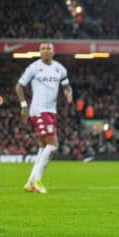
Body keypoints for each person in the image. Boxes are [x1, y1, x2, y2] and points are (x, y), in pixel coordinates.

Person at [16, 42, 73, 194]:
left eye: (48, 49)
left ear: (53, 52)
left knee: (43, 147)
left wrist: (69, 92)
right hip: (39, 110)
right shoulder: (34, 68)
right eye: (43, 49)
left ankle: (30, 182)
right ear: (39, 52)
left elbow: (66, 84)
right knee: (53, 145)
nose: (46, 51)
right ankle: (37, 180)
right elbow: (19, 86)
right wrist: (23, 105)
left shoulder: (60, 69)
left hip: (51, 111)